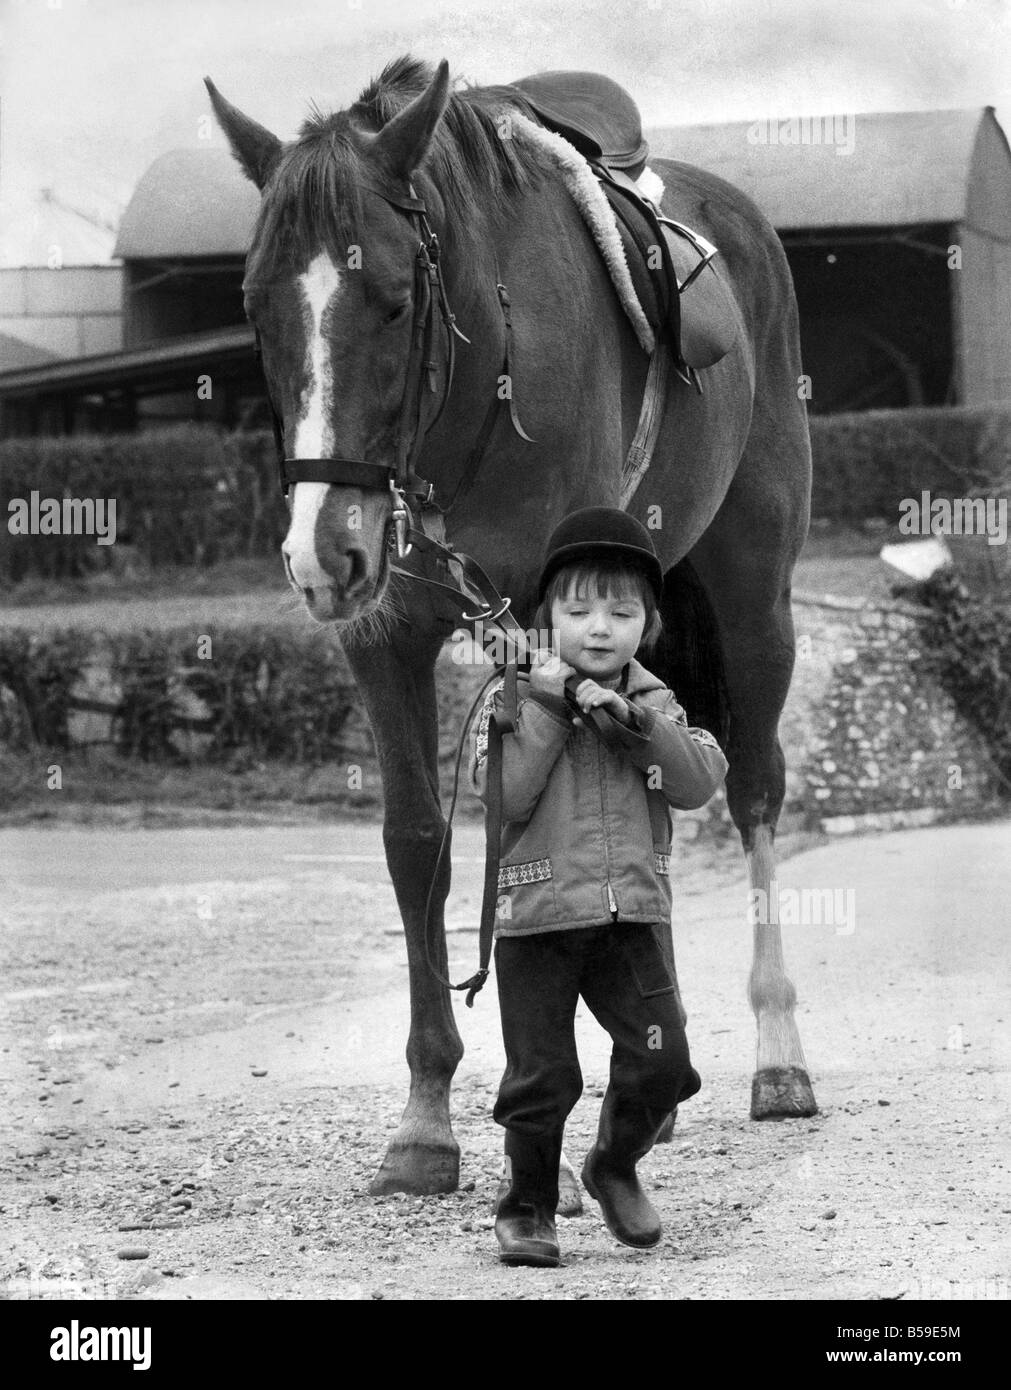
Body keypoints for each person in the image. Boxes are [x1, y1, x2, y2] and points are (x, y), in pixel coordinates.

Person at [471, 506, 728, 1267]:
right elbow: (504, 803)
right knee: (542, 1076)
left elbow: (695, 782)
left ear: (645, 624)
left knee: (663, 1059)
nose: (597, 627)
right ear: (547, 617)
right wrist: (551, 706)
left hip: (632, 920)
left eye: (620, 611)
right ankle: (526, 1207)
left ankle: (613, 1163)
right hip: (539, 915)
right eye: (577, 608)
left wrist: (636, 725)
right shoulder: (513, 700)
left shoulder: (657, 705)